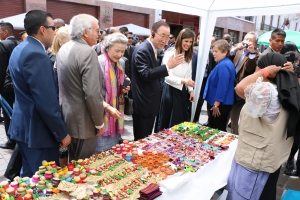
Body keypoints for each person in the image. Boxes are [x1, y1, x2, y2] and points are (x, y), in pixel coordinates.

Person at [8, 10, 71, 177]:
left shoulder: (20, 48)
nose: (55, 32)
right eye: (53, 28)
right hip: (38, 131)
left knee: (29, 178)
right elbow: (46, 101)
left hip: (24, 125)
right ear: (43, 29)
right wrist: (62, 132)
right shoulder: (36, 54)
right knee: (43, 181)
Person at [227, 52, 298, 200]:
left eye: (259, 68)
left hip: (254, 160)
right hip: (268, 157)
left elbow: (239, 88)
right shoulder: (288, 91)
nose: (256, 73)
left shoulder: (267, 91)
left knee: (243, 195)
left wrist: (264, 72)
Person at [56, 14, 104, 160]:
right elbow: (91, 93)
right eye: (97, 30)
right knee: (82, 167)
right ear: (85, 32)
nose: (99, 34)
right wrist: (99, 122)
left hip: (67, 115)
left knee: (72, 164)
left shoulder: (64, 47)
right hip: (83, 122)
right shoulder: (88, 52)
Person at [131, 20, 184, 140]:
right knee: (141, 140)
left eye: (168, 36)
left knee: (145, 138)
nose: (165, 40)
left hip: (150, 103)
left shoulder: (152, 48)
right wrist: (167, 66)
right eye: (162, 35)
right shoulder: (143, 49)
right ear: (152, 33)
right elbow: (146, 74)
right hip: (144, 104)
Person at [157, 28, 195, 130]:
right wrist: (183, 81)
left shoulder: (189, 55)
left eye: (191, 42)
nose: (188, 44)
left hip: (182, 93)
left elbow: (188, 75)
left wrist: (191, 91)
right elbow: (166, 76)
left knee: (179, 124)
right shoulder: (170, 53)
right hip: (170, 92)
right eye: (186, 41)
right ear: (180, 40)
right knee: (168, 123)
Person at [96, 32, 128, 151]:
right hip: (102, 112)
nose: (120, 54)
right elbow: (93, 92)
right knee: (101, 150)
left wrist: (123, 88)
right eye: (117, 50)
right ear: (107, 48)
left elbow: (120, 81)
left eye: (123, 51)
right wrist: (107, 107)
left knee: (113, 149)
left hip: (116, 110)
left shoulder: (121, 63)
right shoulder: (98, 62)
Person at [229, 31, 259, 135]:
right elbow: (227, 56)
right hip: (229, 87)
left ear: (255, 44)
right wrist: (235, 48)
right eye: (246, 39)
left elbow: (249, 69)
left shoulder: (256, 56)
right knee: (225, 113)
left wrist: (251, 53)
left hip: (241, 91)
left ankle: (235, 137)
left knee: (235, 119)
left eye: (250, 40)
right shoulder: (239, 51)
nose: (247, 42)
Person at [203, 39, 235, 131]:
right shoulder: (225, 63)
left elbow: (222, 86)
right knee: (216, 129)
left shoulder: (224, 65)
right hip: (220, 104)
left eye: (216, 51)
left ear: (225, 52)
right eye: (213, 51)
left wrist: (216, 105)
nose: (213, 53)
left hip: (219, 105)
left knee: (215, 130)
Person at [0, 22, 18, 149]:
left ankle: (11, 140)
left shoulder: (3, 44)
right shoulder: (19, 43)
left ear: (5, 32)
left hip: (5, 86)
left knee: (7, 114)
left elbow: (1, 69)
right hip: (17, 86)